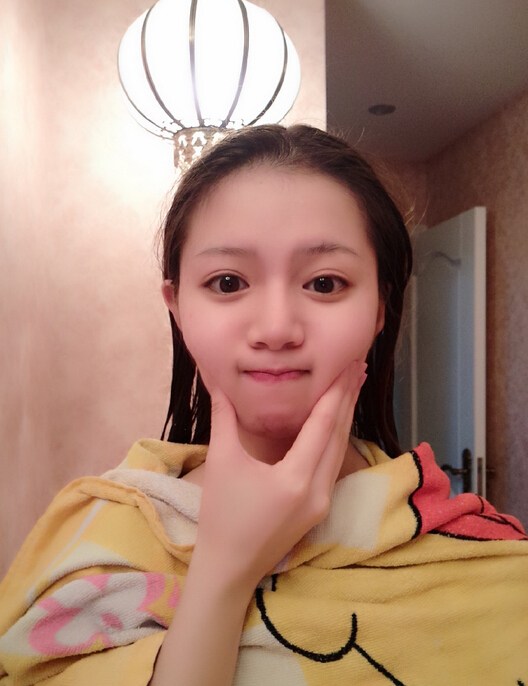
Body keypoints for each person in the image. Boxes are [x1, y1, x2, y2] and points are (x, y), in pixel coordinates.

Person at [0, 125, 526, 686]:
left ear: (379, 309)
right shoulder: (95, 534)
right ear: (178, 308)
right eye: (228, 282)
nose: (276, 328)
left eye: (325, 283)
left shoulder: (487, 562)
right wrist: (225, 568)